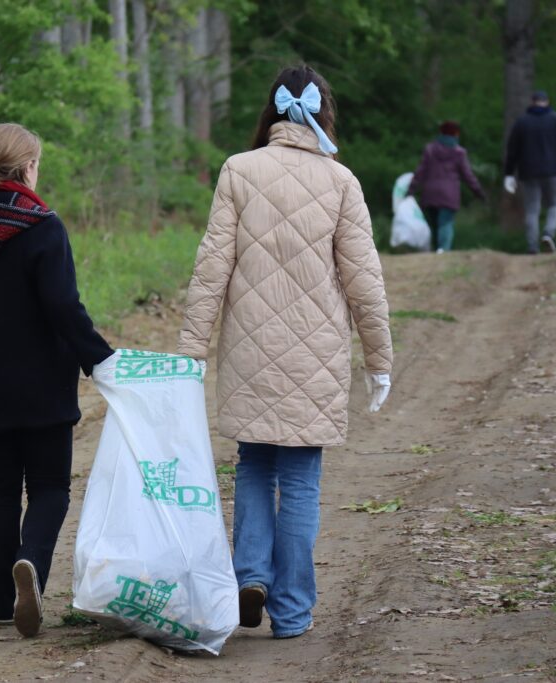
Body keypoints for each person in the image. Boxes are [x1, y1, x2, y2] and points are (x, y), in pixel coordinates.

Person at [176, 65, 393, 640]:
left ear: (270, 111)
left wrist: (193, 352)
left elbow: (211, 268)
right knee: (299, 481)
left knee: (252, 466)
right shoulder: (341, 181)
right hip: (316, 356)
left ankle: (250, 576)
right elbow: (364, 280)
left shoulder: (238, 171)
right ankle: (292, 613)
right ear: (323, 113)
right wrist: (379, 361)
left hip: (250, 350)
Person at [0, 123, 113, 638]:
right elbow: (62, 307)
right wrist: (101, 360)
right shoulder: (43, 227)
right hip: (43, 390)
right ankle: (30, 561)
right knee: (50, 487)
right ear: (29, 167)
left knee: (0, 488)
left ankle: (1, 601)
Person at [503, 90, 556, 254]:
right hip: (553, 172)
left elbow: (512, 150)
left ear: (532, 102)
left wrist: (509, 173)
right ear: (547, 101)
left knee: (532, 209)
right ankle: (549, 233)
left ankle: (532, 246)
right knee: (555, 204)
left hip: (528, 172)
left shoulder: (522, 122)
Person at [408, 120, 487, 253]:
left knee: (433, 224)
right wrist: (478, 192)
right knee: (445, 223)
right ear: (456, 134)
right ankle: (443, 250)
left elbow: (420, 172)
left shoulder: (430, 149)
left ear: (441, 132)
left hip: (430, 193)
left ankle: (435, 250)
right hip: (449, 195)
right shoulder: (459, 153)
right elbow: (468, 176)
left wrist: (411, 190)